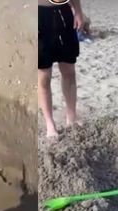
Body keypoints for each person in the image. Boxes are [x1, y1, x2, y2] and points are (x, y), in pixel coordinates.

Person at [38, 0, 84, 137]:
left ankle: (71, 118)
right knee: (44, 78)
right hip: (37, 15)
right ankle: (50, 124)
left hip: (63, 12)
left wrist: (79, 12)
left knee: (69, 72)